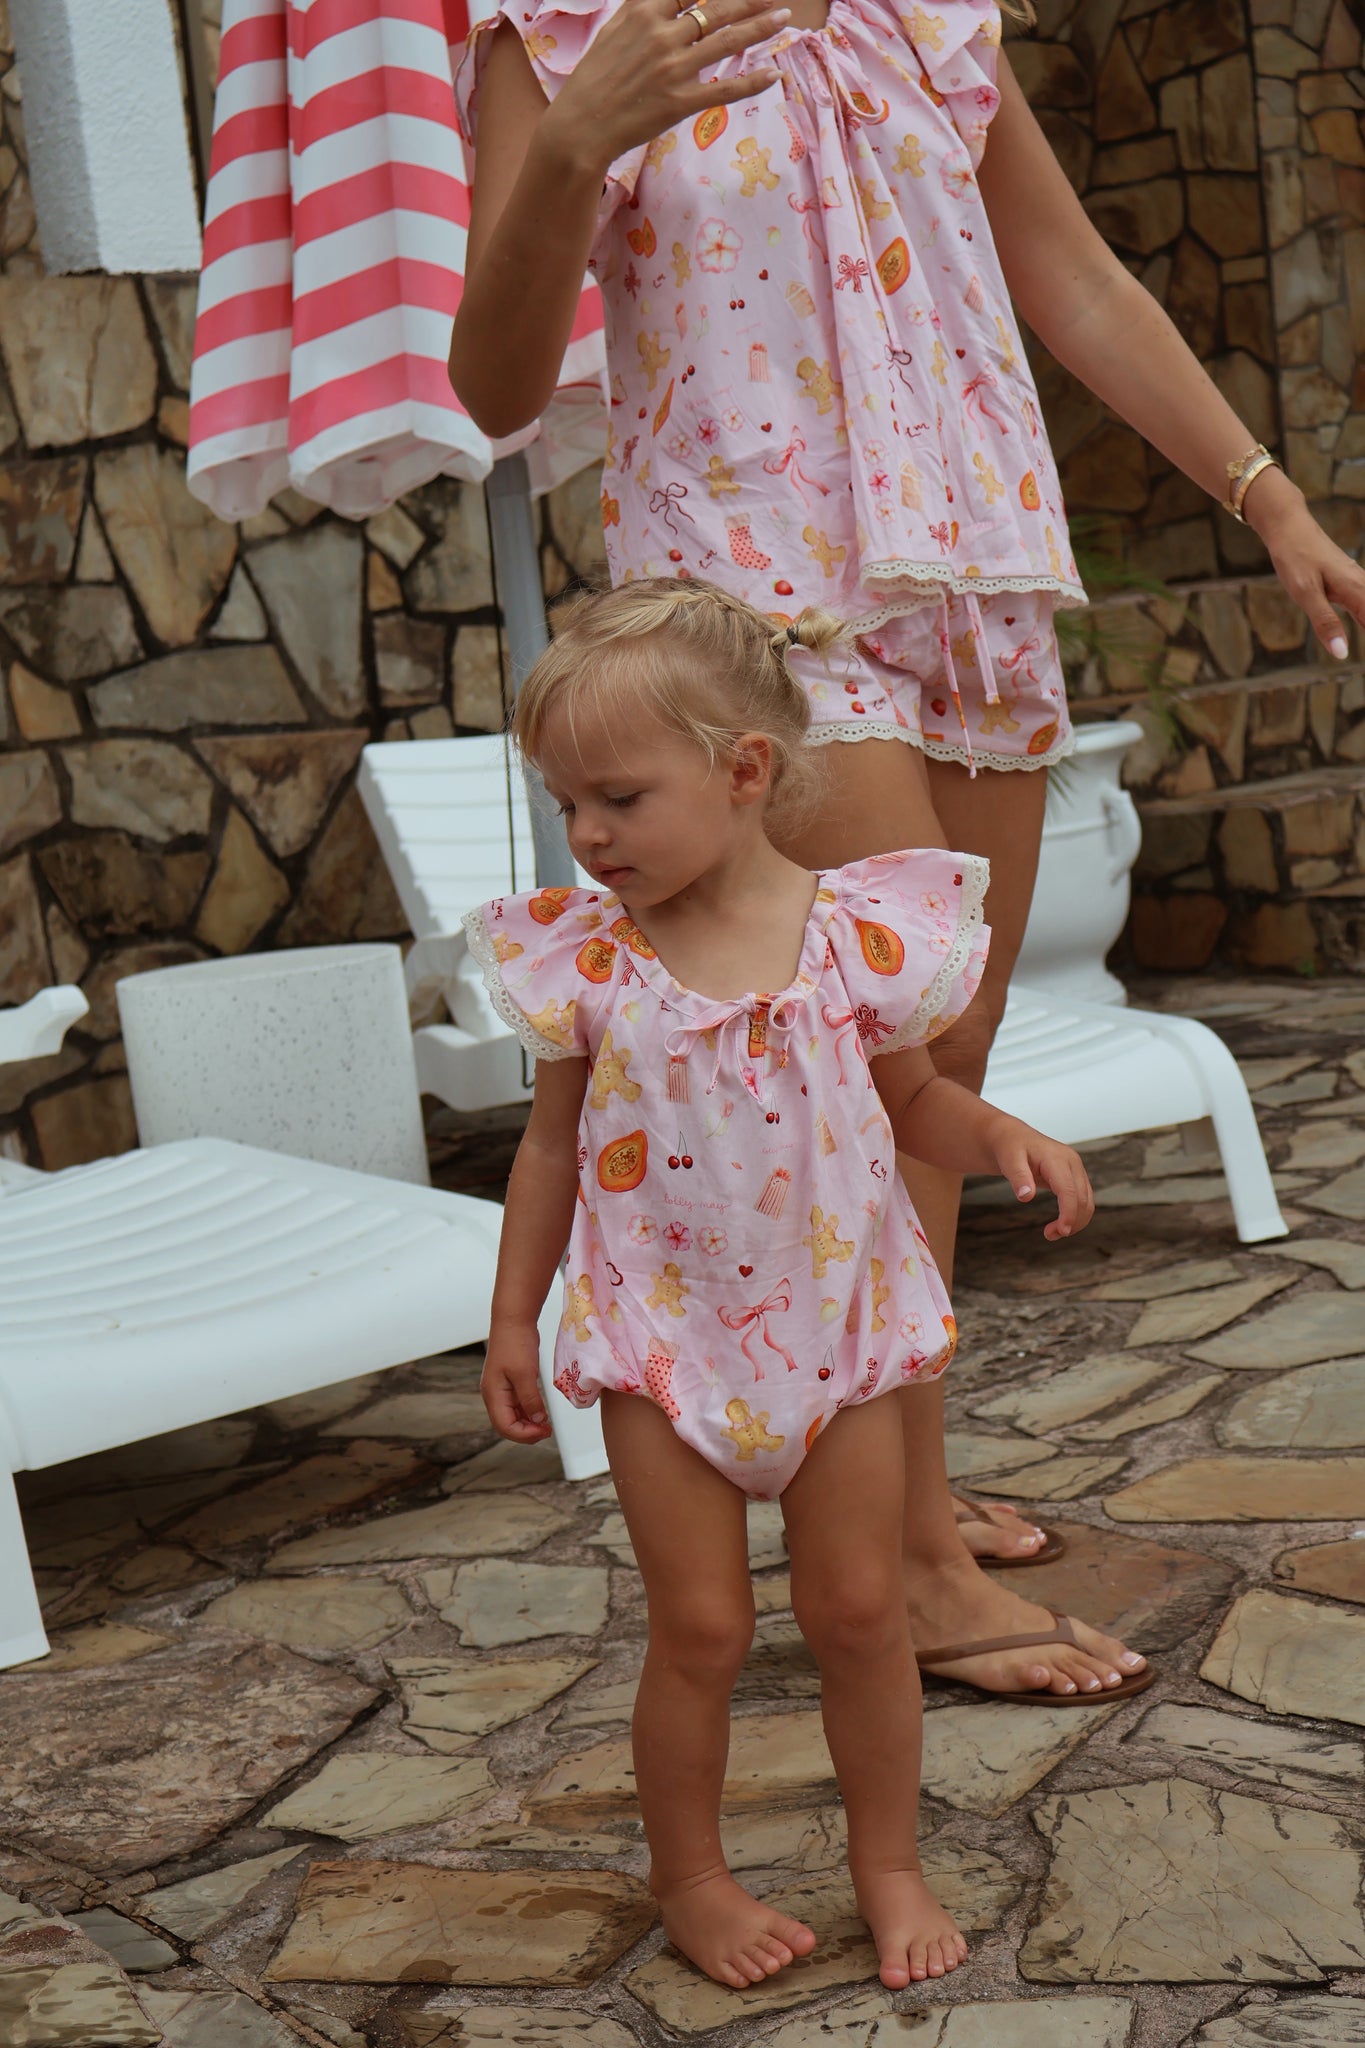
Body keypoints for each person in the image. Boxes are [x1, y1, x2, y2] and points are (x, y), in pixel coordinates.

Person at [449, 0, 1365, 1699]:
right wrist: (574, 146)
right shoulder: (568, 30)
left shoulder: (919, 19)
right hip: (754, 604)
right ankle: (912, 1574)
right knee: (867, 1067)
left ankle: (893, 1495)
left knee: (940, 1057)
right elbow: (492, 386)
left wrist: (1266, 496)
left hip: (971, 576)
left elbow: (1070, 278)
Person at [465, 576, 1100, 1990]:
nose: (586, 834)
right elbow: (551, 1149)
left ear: (744, 771)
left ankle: (889, 1866)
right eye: (566, 803)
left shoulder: (852, 936)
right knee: (699, 1628)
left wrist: (1002, 1134)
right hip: (664, 1348)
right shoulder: (590, 960)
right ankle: (691, 1878)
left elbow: (916, 1102)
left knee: (861, 1614)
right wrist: (512, 1316)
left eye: (619, 798)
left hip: (841, 1341)